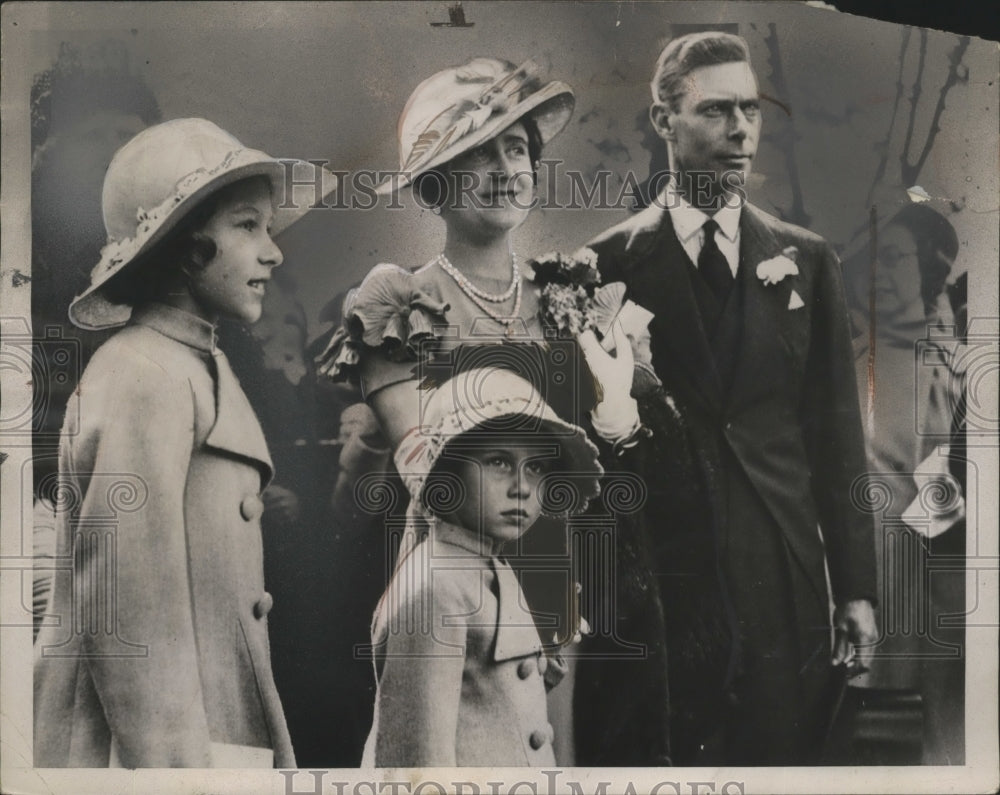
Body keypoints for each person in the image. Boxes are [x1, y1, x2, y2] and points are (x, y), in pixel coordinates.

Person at [586, 31, 879, 765]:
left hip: (782, 577)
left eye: (750, 109)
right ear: (664, 122)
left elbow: (837, 437)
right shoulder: (605, 265)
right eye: (717, 110)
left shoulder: (805, 261)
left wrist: (857, 589)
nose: (741, 130)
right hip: (663, 579)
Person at [318, 57, 639, 673]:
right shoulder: (399, 305)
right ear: (435, 183)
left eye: (516, 150)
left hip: (565, 597)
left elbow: (600, 465)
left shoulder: (566, 296)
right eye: (477, 154)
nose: (504, 171)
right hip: (455, 603)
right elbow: (432, 475)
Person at [32, 118, 325, 768]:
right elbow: (130, 619)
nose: (274, 253)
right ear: (189, 250)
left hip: (215, 729)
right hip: (146, 753)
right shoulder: (143, 373)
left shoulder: (195, 362)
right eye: (249, 226)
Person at [362, 368, 603, 766]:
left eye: (537, 468)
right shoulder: (433, 588)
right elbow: (417, 767)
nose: (522, 487)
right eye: (498, 462)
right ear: (447, 472)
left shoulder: (485, 567)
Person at [30, 40, 161, 639]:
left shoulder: (173, 277)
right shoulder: (23, 275)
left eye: (127, 138)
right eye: (95, 136)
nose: (115, 154)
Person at [844, 204, 965, 764]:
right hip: (848, 572)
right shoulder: (854, 361)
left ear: (926, 273)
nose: (881, 277)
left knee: (901, 729)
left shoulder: (944, 371)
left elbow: (949, 499)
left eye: (896, 261)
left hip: (913, 578)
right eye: (875, 263)